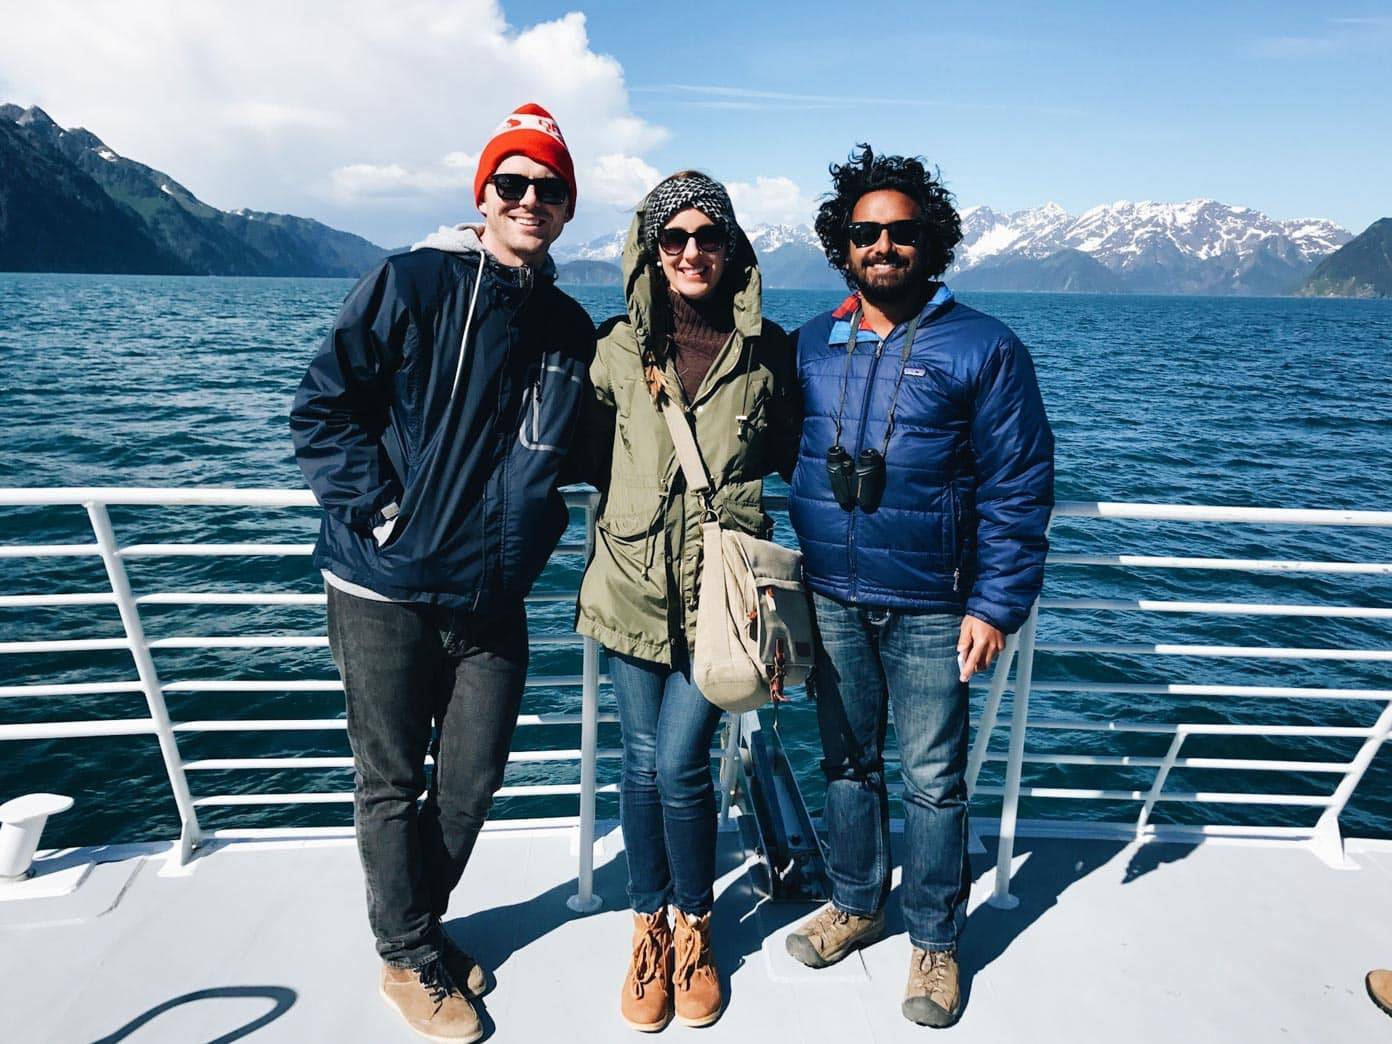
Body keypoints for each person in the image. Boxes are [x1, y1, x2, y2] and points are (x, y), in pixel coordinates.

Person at [290, 103, 594, 1043]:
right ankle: (407, 954)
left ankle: (414, 930)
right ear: (484, 194)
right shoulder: (413, 281)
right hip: (385, 588)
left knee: (470, 782)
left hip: (492, 594)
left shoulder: (569, 327)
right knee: (389, 782)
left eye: (549, 187)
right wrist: (383, 514)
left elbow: (582, 448)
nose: (530, 198)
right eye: (513, 182)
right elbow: (323, 406)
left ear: (568, 206)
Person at [782, 145, 1054, 1029]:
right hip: (830, 593)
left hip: (936, 603)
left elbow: (1019, 485)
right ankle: (857, 903)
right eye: (866, 232)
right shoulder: (809, 342)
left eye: (902, 232)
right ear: (843, 243)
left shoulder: (984, 345)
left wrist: (997, 604)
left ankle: (935, 938)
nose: (883, 246)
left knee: (934, 778)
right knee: (847, 763)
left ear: (930, 240)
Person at [575, 171, 799, 1032]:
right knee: (640, 763)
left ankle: (694, 925)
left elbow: (791, 452)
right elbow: (579, 446)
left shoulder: (769, 353)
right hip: (631, 583)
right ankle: (650, 928)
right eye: (674, 238)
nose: (692, 252)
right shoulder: (615, 350)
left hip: (723, 598)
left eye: (709, 237)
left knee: (676, 762)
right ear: (652, 250)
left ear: (732, 248)